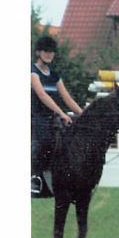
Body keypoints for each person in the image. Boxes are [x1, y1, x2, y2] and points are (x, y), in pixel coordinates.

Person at [30, 35, 84, 193]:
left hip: (52, 118)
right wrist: (61, 113)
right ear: (38, 52)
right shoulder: (33, 72)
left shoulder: (54, 76)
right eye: (46, 51)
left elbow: (67, 98)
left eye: (51, 51)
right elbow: (42, 95)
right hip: (36, 117)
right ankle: (34, 177)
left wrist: (84, 115)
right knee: (44, 142)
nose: (49, 54)